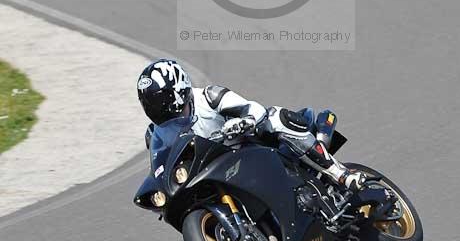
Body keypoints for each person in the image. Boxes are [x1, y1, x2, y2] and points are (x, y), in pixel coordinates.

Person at [137, 59, 365, 194]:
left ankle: (340, 174)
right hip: (215, 174)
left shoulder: (209, 97)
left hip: (252, 148)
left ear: (177, 91)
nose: (156, 107)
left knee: (276, 117)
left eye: (159, 99)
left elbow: (253, 109)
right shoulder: (156, 134)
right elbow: (161, 165)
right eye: (149, 103)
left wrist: (244, 121)